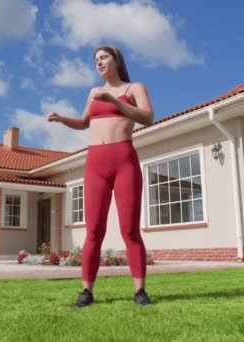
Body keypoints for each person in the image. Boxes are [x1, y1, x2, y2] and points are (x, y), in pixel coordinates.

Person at [47, 45, 154, 307]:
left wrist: (115, 102)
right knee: (94, 230)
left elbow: (148, 118)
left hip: (124, 159)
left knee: (129, 229)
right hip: (95, 162)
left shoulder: (134, 88)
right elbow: (84, 122)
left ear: (116, 60)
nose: (99, 62)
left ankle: (140, 291)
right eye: (95, 59)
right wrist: (62, 119)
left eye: (104, 57)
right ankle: (87, 292)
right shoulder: (93, 92)